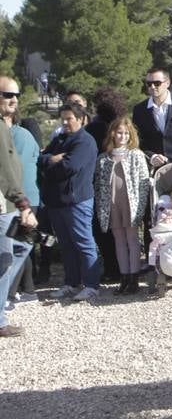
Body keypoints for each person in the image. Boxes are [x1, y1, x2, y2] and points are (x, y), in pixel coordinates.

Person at [41, 103, 100, 300]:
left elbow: (69, 167)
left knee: (84, 243)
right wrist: (51, 160)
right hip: (58, 202)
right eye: (63, 118)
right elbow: (41, 159)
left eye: (69, 118)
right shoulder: (60, 139)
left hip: (77, 201)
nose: (65, 122)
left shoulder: (85, 142)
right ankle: (72, 283)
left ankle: (92, 285)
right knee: (66, 245)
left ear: (81, 119)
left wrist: (50, 163)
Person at [94, 117, 152, 295]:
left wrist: (140, 206)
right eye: (119, 132)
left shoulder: (136, 155)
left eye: (126, 133)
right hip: (112, 205)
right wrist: (101, 207)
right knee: (119, 240)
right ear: (112, 133)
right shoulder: (103, 159)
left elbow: (143, 183)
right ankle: (124, 277)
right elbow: (99, 185)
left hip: (130, 203)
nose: (123, 136)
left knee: (133, 240)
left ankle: (134, 278)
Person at [1, 83, 39, 337]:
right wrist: (23, 203)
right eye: (7, 94)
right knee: (5, 262)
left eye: (16, 94)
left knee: (20, 248)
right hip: (6, 205)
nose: (13, 99)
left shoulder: (8, 128)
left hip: (10, 205)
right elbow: (5, 171)